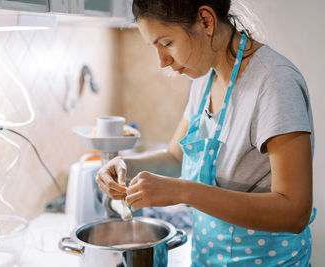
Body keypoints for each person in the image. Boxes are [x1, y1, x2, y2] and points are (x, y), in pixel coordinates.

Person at [96, 0, 315, 266]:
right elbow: (176, 159)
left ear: (206, 21)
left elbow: (294, 212)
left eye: (166, 43)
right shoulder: (204, 80)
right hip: (207, 259)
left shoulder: (275, 83)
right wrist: (123, 164)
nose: (162, 62)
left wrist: (183, 192)